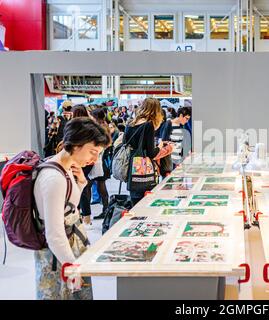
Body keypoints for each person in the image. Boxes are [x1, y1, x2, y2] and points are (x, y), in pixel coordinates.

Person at [34, 117, 110, 300]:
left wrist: (82, 183)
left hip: (69, 247)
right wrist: (72, 266)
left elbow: (69, 208)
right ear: (76, 144)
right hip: (59, 256)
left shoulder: (65, 167)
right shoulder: (54, 178)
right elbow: (54, 233)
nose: (94, 159)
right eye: (93, 152)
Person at [124, 98, 169, 205]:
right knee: (145, 204)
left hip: (132, 169)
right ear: (155, 110)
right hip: (144, 172)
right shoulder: (148, 125)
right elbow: (151, 153)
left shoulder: (130, 123)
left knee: (135, 204)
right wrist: (160, 145)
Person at [90, 108, 112, 220]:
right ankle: (106, 209)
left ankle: (105, 209)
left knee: (99, 185)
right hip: (101, 159)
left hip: (100, 160)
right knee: (100, 185)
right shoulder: (105, 125)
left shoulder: (100, 127)